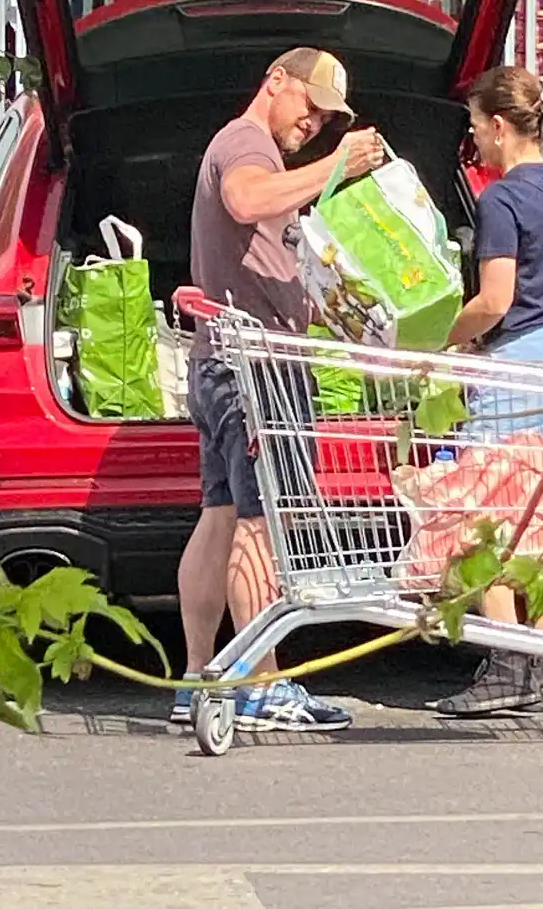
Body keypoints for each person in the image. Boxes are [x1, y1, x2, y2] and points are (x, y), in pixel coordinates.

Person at [171, 47, 386, 729]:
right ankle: (261, 683)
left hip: (223, 362)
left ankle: (199, 677)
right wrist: (334, 166)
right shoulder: (246, 145)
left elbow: (266, 244)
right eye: (312, 106)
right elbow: (244, 199)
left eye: (328, 119)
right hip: (253, 370)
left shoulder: (263, 154)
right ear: (277, 82)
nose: (316, 123)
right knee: (262, 528)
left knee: (221, 517)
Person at [428, 64, 543, 718]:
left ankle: (508, 660)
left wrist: (444, 336)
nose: (474, 139)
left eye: (476, 125)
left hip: (528, 366)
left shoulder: (501, 199)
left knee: (479, 516)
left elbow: (496, 299)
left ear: (500, 127)